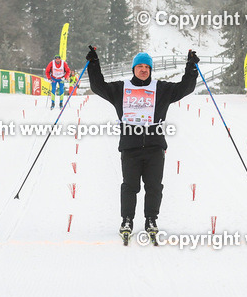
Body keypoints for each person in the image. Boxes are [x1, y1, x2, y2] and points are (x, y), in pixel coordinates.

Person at [85, 45, 198, 242]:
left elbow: (185, 88)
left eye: (147, 66)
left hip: (155, 147)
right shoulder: (121, 89)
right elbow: (98, 86)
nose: (144, 69)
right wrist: (94, 63)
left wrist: (191, 67)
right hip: (130, 147)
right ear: (134, 69)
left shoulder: (160, 89)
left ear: (151, 70)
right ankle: (127, 220)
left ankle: (151, 220)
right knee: (130, 186)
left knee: (154, 186)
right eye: (140, 66)